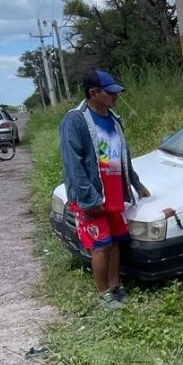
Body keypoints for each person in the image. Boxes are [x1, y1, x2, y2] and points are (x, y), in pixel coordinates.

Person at [60, 69, 150, 310]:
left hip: (114, 193)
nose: (115, 96)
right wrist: (90, 196)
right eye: (109, 93)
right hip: (92, 196)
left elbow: (123, 156)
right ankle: (103, 295)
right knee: (101, 245)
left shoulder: (113, 119)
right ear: (94, 93)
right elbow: (73, 162)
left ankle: (115, 286)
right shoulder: (75, 121)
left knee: (116, 242)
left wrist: (136, 184)